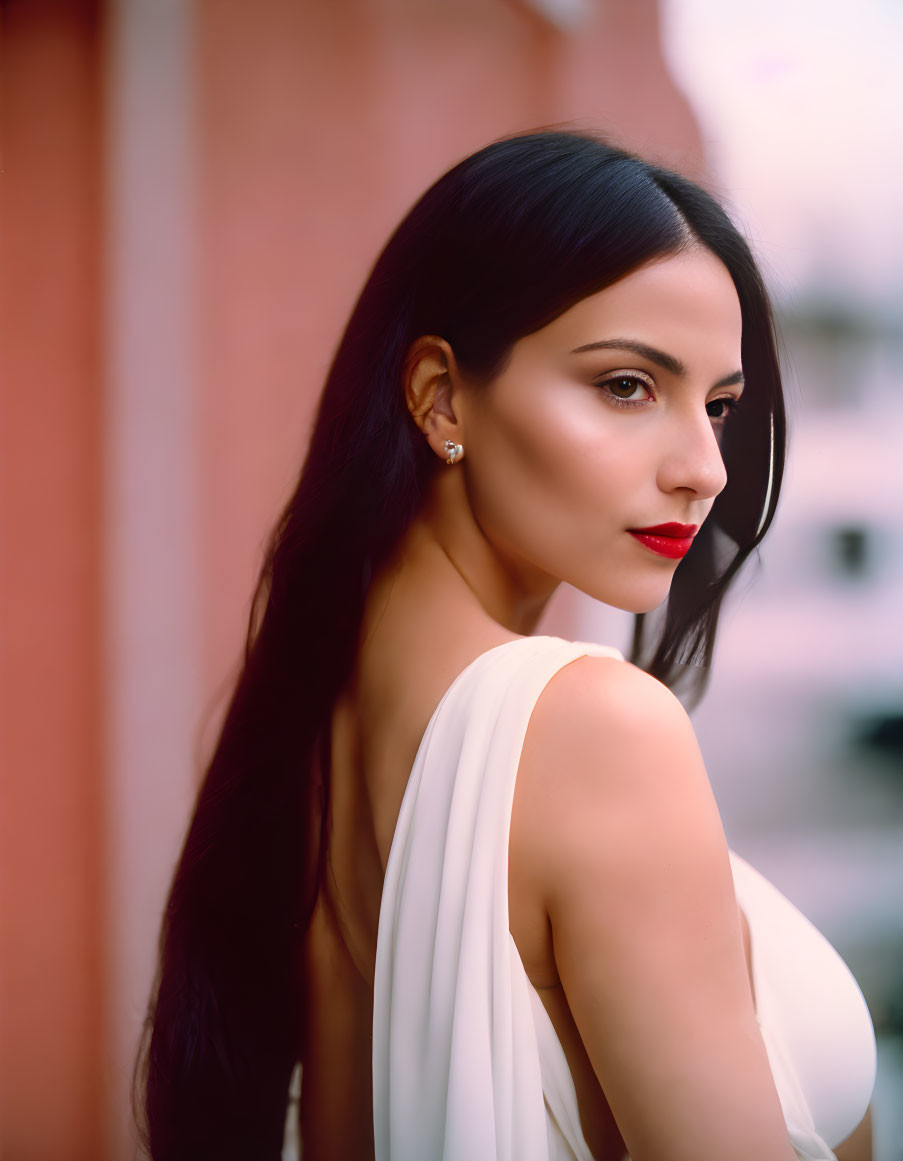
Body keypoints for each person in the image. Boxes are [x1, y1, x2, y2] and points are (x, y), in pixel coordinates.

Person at [135, 130, 877, 1161]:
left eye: (717, 407)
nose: (704, 468)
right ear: (440, 396)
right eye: (627, 385)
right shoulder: (593, 729)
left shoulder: (315, 722)